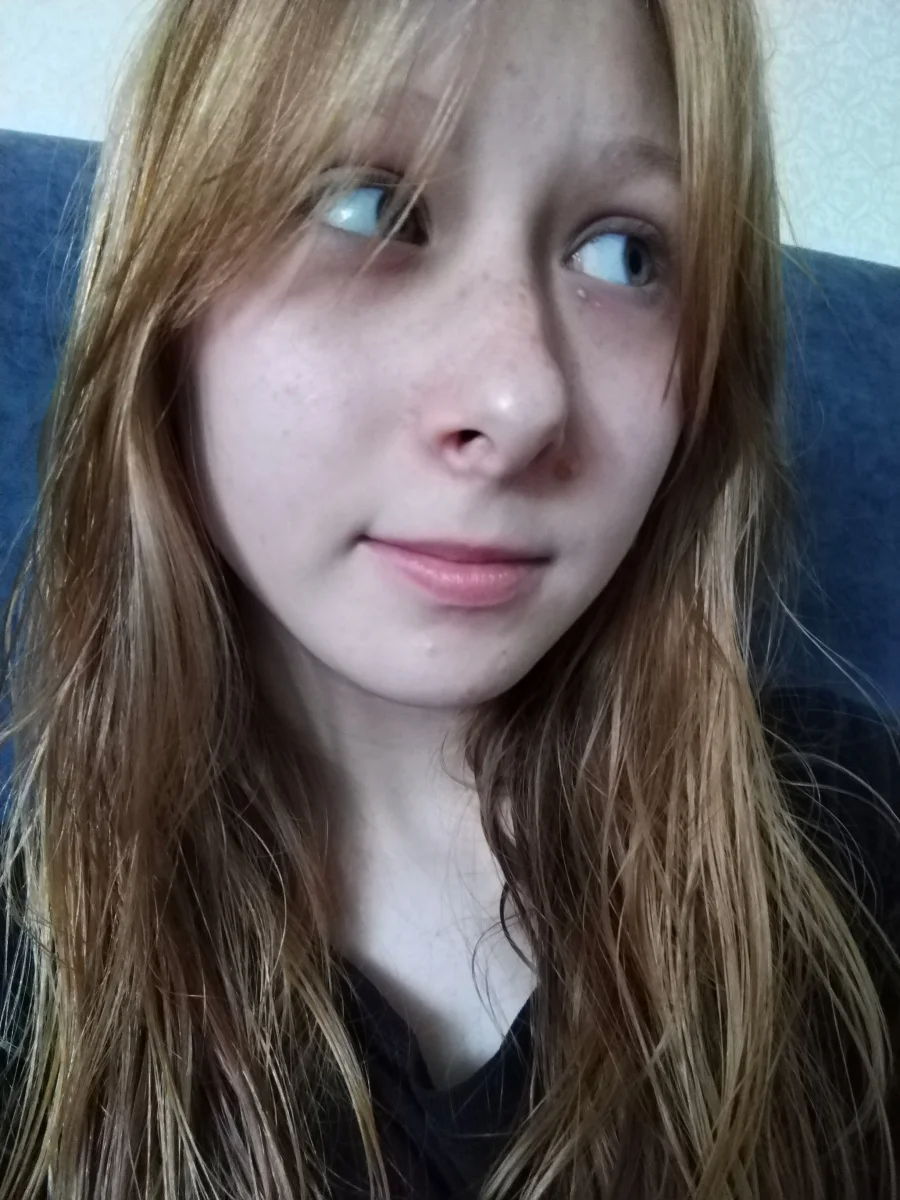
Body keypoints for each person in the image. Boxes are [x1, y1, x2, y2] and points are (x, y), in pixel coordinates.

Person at [0, 0, 898, 1196]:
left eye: (626, 254)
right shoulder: (30, 986)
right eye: (368, 206)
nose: (521, 399)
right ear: (165, 307)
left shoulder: (850, 845)